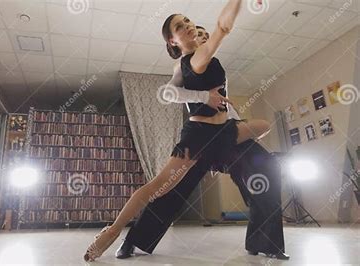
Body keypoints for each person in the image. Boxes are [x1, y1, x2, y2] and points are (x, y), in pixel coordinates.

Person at [84, 0, 288, 261]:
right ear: (172, 41)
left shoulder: (199, 62)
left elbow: (172, 91)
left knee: (266, 165)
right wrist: (204, 97)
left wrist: (217, 120)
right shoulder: (194, 60)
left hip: (227, 133)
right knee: (163, 189)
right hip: (200, 137)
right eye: (181, 26)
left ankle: (265, 239)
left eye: (190, 22)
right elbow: (223, 28)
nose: (191, 28)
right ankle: (117, 234)